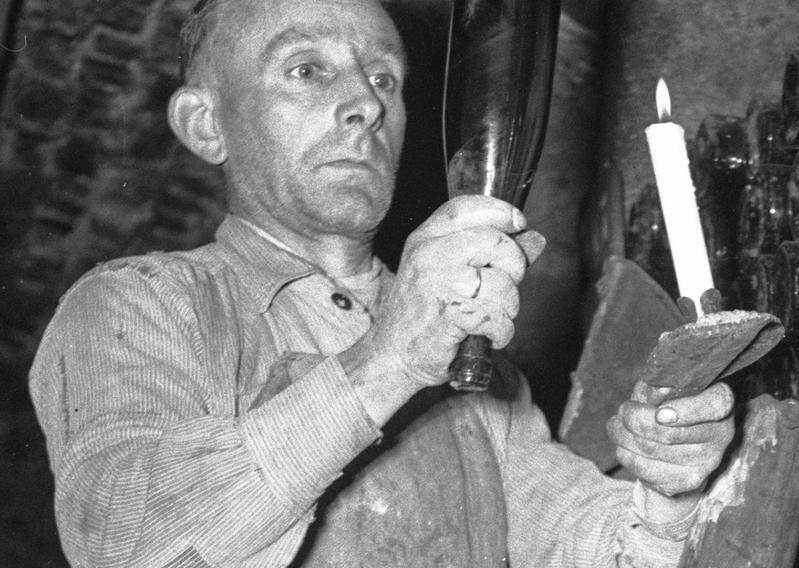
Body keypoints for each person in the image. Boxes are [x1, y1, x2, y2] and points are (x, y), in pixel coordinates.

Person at [29, 0, 735, 566]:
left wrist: (667, 489)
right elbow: (127, 542)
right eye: (306, 69)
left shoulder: (477, 364)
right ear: (205, 124)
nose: (365, 102)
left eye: (384, 78)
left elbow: (587, 543)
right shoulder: (139, 304)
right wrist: (388, 359)